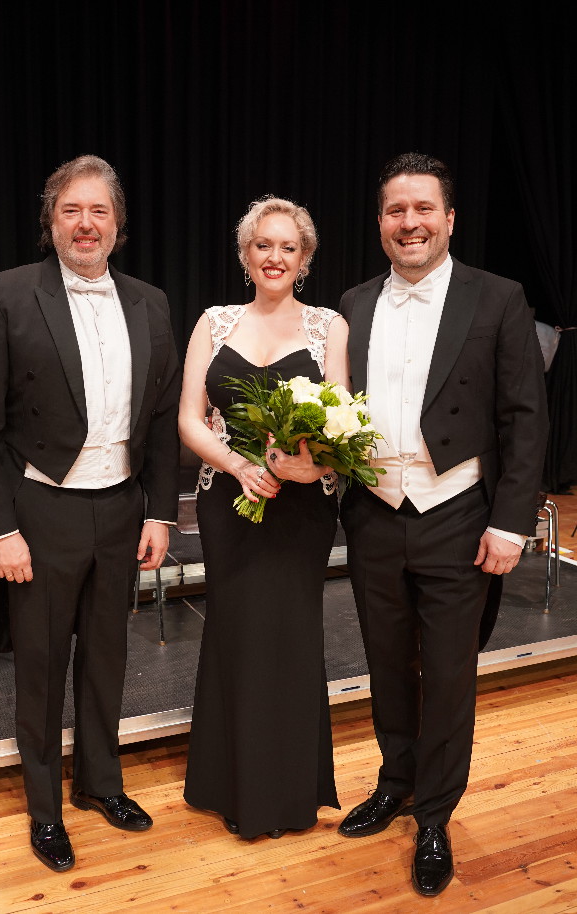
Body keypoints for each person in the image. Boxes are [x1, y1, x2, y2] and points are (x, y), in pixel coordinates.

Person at [0, 155, 180, 872]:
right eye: (71, 210)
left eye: (98, 211)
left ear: (117, 223)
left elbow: (163, 420)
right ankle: (45, 808)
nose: (86, 224)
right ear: (50, 222)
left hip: (122, 508)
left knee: (108, 657)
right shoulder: (6, 294)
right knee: (42, 666)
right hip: (40, 511)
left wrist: (160, 514)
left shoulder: (151, 302)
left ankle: (100, 783)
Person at [337, 153, 548, 896]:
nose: (410, 223)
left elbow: (525, 420)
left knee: (450, 674)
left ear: (449, 219)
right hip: (374, 512)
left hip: (458, 513)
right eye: (396, 210)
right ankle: (394, 782)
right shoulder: (354, 303)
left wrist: (510, 524)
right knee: (386, 662)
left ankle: (434, 815)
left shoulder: (498, 297)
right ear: (380, 222)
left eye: (423, 208)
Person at [179, 197, 349, 839]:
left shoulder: (329, 327)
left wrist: (307, 463)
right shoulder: (214, 322)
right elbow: (189, 419)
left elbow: (342, 420)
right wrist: (238, 467)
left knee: (292, 636)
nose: (274, 257)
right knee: (236, 633)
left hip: (302, 507)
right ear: (246, 254)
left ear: (304, 259)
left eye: (288, 247)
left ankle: (289, 793)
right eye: (263, 245)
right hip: (230, 502)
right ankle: (231, 787)